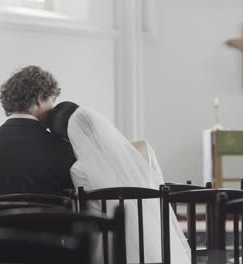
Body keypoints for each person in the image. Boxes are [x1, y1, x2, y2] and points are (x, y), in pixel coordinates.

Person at [48, 101, 191, 264]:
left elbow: (88, 215)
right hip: (161, 243)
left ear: (67, 139)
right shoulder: (144, 149)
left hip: (112, 250)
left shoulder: (79, 169)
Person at [0, 66, 75, 206]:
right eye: (52, 100)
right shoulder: (64, 148)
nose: (53, 107)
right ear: (40, 98)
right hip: (46, 227)